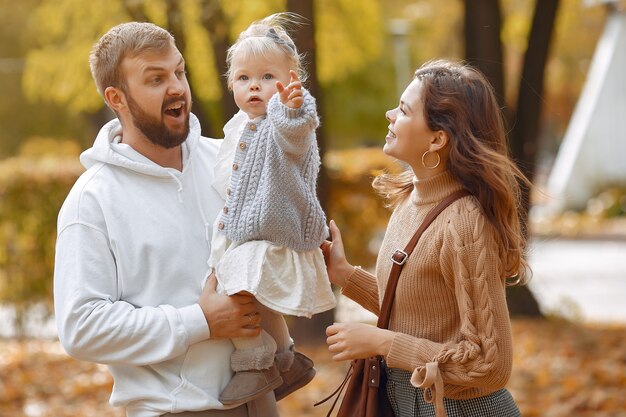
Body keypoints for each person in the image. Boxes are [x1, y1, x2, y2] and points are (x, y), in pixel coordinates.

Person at [53, 22, 279, 417]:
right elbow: (81, 328)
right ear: (116, 98)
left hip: (264, 401)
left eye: (179, 71)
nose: (176, 87)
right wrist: (201, 321)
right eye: (156, 79)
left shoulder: (230, 159)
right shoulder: (91, 201)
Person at [322, 59, 528, 417]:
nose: (390, 114)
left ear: (437, 139)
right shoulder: (410, 200)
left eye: (403, 110)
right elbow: (419, 311)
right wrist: (343, 274)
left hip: (462, 409)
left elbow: (489, 363)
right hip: (413, 403)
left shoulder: (465, 223)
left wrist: (384, 343)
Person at [207, 13, 336, 406]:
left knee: (241, 292)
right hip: (242, 229)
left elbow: (295, 136)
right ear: (231, 83)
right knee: (231, 294)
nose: (254, 87)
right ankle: (283, 358)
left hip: (275, 232)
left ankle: (256, 362)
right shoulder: (237, 127)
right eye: (244, 78)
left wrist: (293, 107)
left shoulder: (285, 118)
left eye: (266, 77)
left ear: (292, 77)